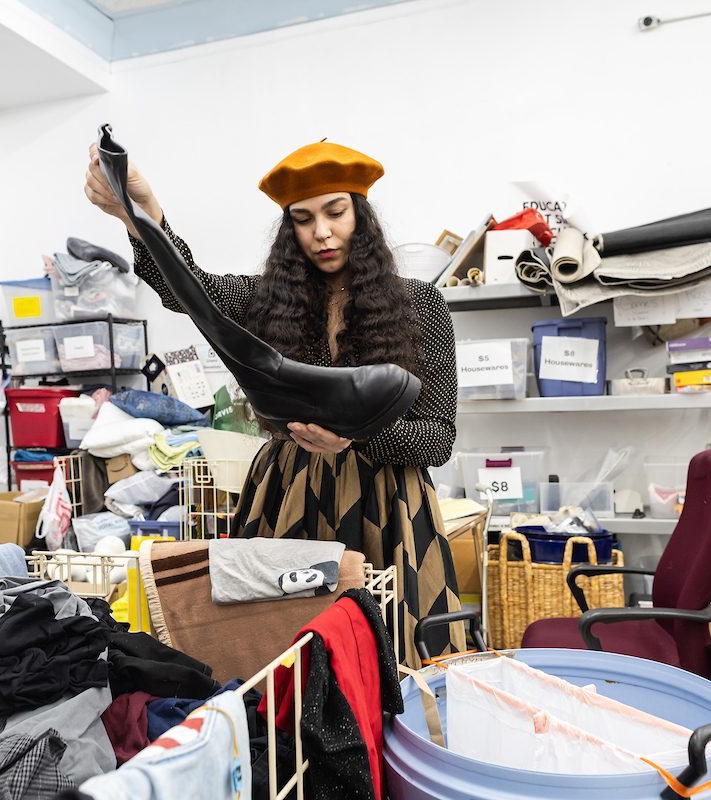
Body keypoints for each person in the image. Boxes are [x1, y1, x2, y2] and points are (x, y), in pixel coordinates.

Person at [85, 139, 463, 664]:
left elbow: (438, 439)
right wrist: (143, 215)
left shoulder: (420, 305)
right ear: (290, 229)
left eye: (336, 212)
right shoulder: (266, 301)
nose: (322, 233)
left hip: (388, 503)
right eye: (304, 219)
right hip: (287, 493)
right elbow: (185, 291)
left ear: (362, 215)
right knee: (282, 647)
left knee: (392, 651)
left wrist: (357, 433)